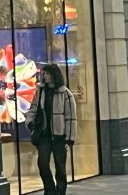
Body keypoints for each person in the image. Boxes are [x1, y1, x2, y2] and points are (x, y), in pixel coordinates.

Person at [29, 63, 76, 195]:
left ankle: (60, 192)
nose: (45, 76)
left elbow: (71, 118)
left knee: (60, 168)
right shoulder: (41, 91)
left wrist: (69, 139)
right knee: (42, 164)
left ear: (54, 75)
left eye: (48, 73)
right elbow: (33, 109)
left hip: (59, 137)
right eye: (44, 74)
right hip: (44, 135)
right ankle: (50, 190)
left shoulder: (65, 94)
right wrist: (30, 123)